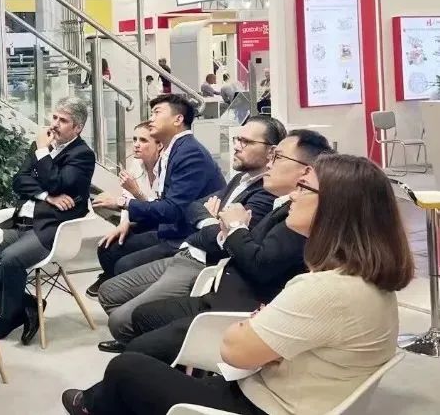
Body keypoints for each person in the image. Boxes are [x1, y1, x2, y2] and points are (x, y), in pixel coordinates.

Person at [62, 153, 414, 415]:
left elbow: (236, 350)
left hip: (266, 404)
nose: (293, 195)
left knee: (127, 368)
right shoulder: (367, 283)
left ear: (337, 208)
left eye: (304, 187)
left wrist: (253, 325)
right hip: (282, 390)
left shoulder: (324, 289)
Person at [118, 130, 333, 365]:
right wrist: (229, 228)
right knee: (140, 312)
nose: (269, 164)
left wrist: (234, 227)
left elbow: (256, 260)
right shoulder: (262, 192)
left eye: (277, 157)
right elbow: (196, 209)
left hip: (232, 308)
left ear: (306, 172)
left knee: (131, 350)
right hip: (215, 285)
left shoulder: (298, 218)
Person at [96, 116, 285, 352]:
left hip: (201, 261)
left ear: (271, 152)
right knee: (108, 290)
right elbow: (194, 207)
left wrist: (212, 222)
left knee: (121, 319)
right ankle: (138, 340)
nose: (236, 146)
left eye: (246, 142)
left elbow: (225, 242)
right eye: (237, 139)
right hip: (187, 249)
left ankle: (142, 347)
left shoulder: (266, 192)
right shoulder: (241, 177)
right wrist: (213, 221)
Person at [0, 97, 95, 345]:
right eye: (55, 117)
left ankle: (9, 317)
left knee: (10, 259)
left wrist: (42, 154)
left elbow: (58, 183)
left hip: (49, 229)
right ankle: (25, 305)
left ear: (78, 128)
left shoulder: (82, 154)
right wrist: (46, 195)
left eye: (63, 120)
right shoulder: (41, 145)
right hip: (21, 224)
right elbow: (19, 181)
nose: (55, 124)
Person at [86, 94, 226, 298]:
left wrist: (123, 203)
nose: (151, 119)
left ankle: (127, 299)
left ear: (178, 119)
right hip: (170, 226)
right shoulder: (173, 150)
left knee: (124, 265)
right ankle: (117, 288)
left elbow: (173, 210)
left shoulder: (190, 153)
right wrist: (126, 216)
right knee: (110, 249)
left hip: (185, 234)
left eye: (157, 113)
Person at [117, 122, 162, 206]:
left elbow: (162, 209)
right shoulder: (136, 164)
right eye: (135, 139)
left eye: (143, 140)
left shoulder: (167, 167)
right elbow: (127, 200)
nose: (136, 145)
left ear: (159, 145)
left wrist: (136, 192)